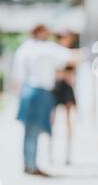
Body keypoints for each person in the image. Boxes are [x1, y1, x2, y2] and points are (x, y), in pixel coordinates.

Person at [12, 24, 83, 176]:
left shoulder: (24, 48)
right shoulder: (47, 48)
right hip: (39, 91)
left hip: (27, 90)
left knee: (29, 130)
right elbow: (71, 56)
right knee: (34, 130)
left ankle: (29, 163)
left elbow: (17, 75)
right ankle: (31, 165)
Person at [50, 31, 78, 165]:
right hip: (56, 88)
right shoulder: (56, 52)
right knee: (52, 122)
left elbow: (71, 75)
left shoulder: (68, 53)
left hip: (66, 88)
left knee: (68, 122)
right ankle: (50, 153)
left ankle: (67, 154)